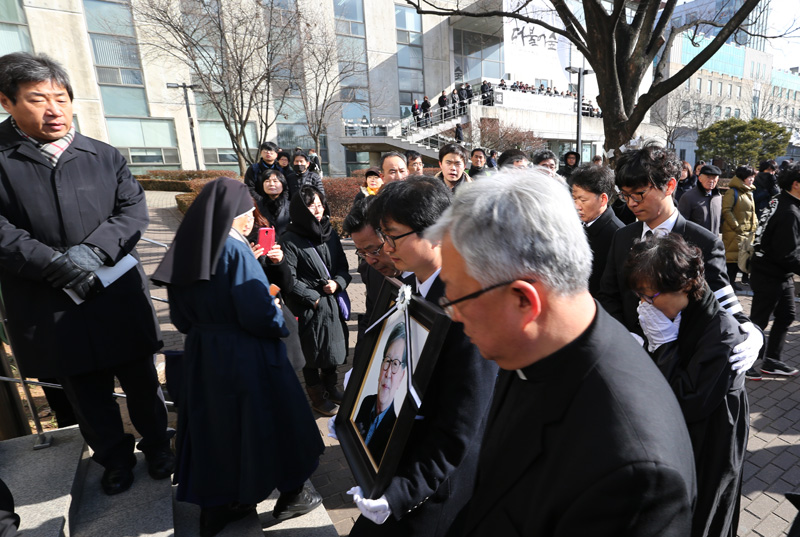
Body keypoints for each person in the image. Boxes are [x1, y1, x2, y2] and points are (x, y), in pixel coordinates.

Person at [426, 169, 696, 536]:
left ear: (524, 300)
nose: (452, 313)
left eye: (457, 297)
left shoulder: (635, 476)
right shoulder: (532, 347)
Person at [0, 52, 172, 496]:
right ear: (7, 102)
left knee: (141, 381)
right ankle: (113, 458)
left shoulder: (103, 154)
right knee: (84, 390)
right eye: (37, 99)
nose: (53, 109)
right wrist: (56, 266)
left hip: (114, 292)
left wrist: (93, 253)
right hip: (51, 302)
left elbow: (133, 210)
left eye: (61, 97)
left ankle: (158, 446)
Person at [152, 178, 323, 535]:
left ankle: (219, 506)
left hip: (204, 354)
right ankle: (293, 493)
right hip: (247, 354)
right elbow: (257, 314)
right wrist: (279, 315)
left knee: (215, 430)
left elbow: (181, 318)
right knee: (275, 422)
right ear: (234, 213)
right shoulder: (233, 247)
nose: (251, 220)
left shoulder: (186, 244)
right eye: (248, 213)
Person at [348, 177, 498, 537]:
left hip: (434, 487)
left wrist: (401, 494)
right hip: (403, 459)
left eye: (392, 235)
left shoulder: (467, 305)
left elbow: (461, 425)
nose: (384, 248)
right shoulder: (412, 286)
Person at [597, 143, 761, 376]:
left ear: (670, 186)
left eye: (639, 194)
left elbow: (722, 302)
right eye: (625, 195)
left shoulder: (703, 242)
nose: (632, 203)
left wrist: (753, 332)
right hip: (629, 359)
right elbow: (608, 295)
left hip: (680, 364)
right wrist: (626, 335)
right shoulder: (623, 237)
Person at [625, 234, 748, 537]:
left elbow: (687, 402)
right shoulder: (673, 313)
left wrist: (664, 346)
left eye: (650, 296)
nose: (644, 305)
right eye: (640, 296)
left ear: (686, 285)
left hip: (710, 441)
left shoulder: (720, 332)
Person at [282, 186, 351, 415]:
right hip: (309, 307)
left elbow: (342, 265)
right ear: (301, 210)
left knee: (332, 350)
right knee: (311, 355)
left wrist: (338, 283)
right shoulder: (289, 239)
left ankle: (331, 388)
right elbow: (288, 280)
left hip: (332, 303)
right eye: (311, 205)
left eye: (320, 204)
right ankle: (317, 396)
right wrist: (314, 299)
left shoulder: (329, 233)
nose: (318, 210)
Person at [749, 162, 800, 377]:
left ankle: (772, 361)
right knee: (759, 321)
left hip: (777, 272)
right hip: (769, 273)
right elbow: (786, 254)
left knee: (786, 314)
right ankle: (749, 364)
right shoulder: (789, 211)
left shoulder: (780, 200)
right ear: (796, 184)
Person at [342, 198, 400, 366]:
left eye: (374, 250)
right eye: (362, 253)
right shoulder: (373, 272)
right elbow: (371, 319)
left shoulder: (425, 275)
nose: (370, 260)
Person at [354, 322, 406, 465]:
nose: (388, 373)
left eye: (395, 364)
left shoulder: (396, 429)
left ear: (402, 376)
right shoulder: (366, 402)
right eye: (387, 361)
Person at [570, 164, 623, 296]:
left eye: (583, 200)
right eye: (574, 198)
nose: (577, 206)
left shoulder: (618, 235)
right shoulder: (575, 226)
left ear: (603, 199)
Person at [721, 165, 757, 290]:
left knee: (739, 259)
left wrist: (755, 226)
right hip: (735, 232)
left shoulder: (749, 192)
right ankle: (729, 283)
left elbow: (752, 212)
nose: (752, 179)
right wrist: (736, 226)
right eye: (749, 177)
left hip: (746, 232)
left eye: (753, 177)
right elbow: (726, 210)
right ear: (742, 178)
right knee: (732, 260)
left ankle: (732, 283)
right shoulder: (733, 192)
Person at [677, 164, 723, 235]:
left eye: (714, 178)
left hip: (714, 242)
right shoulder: (688, 197)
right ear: (700, 178)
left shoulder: (718, 197)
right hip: (694, 243)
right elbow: (681, 224)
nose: (711, 181)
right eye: (708, 177)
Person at [254, 168, 291, 236]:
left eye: (275, 181)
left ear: (283, 185)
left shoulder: (291, 206)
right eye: (267, 181)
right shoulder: (257, 207)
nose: (271, 184)